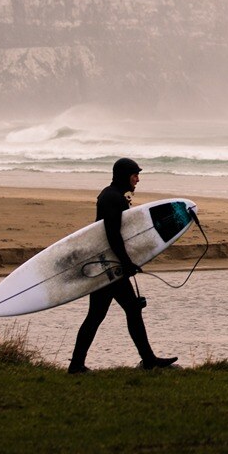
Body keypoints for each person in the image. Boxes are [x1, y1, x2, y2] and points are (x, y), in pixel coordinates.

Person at [67, 157, 179, 373]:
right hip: (109, 267)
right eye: (135, 175)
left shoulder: (115, 196)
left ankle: (77, 364)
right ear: (124, 175)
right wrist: (126, 263)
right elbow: (112, 235)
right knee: (122, 311)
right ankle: (147, 360)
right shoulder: (111, 198)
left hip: (109, 266)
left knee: (107, 313)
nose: (138, 179)